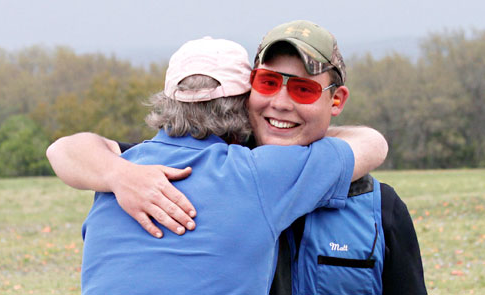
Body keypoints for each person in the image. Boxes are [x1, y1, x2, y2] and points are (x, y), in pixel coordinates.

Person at [47, 20, 426, 294]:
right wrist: (115, 173)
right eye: (267, 83)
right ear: (245, 103)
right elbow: (371, 143)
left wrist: (117, 175)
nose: (280, 102)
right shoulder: (251, 175)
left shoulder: (129, 170)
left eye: (304, 91)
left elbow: (65, 148)